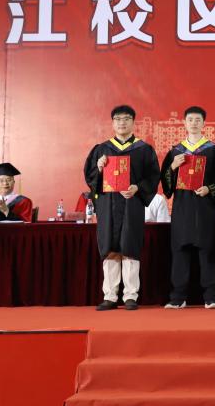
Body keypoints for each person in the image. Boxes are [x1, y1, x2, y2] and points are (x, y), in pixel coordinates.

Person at [83, 105, 160, 311]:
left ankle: (130, 296)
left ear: (133, 122)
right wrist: (99, 168)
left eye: (126, 119)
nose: (122, 123)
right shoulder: (101, 149)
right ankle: (109, 296)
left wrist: (137, 187)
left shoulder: (144, 149)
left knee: (130, 248)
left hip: (131, 203)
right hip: (108, 204)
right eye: (117, 119)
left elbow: (153, 176)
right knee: (110, 249)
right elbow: (90, 178)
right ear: (112, 123)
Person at [160, 106, 215, 310]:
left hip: (205, 207)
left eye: (198, 120)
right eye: (190, 120)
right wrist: (173, 166)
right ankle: (178, 297)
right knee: (180, 251)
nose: (194, 123)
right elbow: (166, 184)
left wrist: (209, 188)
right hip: (182, 208)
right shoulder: (176, 151)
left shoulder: (213, 150)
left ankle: (211, 297)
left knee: (208, 251)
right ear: (184, 123)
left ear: (204, 123)